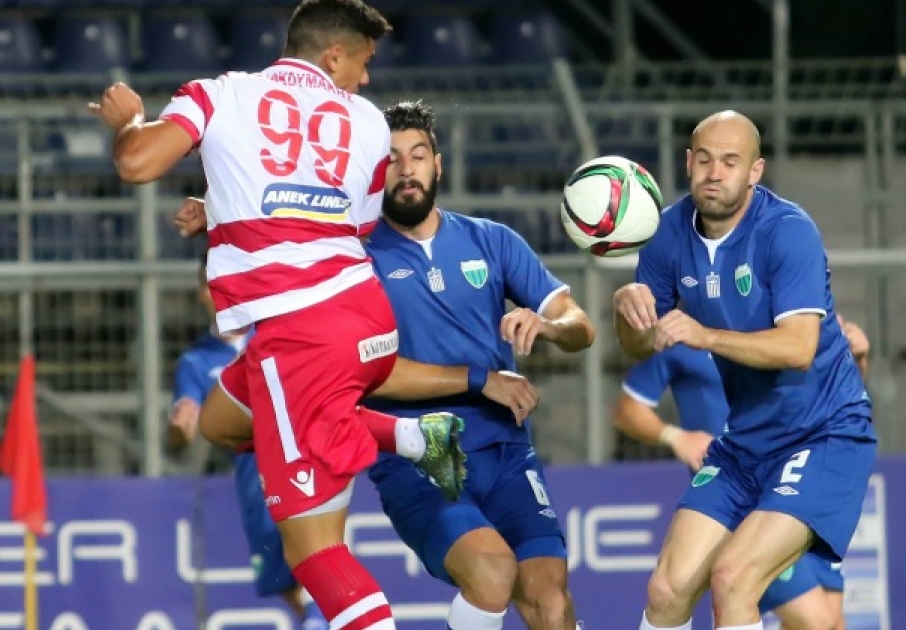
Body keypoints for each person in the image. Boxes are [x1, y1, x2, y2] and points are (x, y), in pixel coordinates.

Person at [89, 2, 465, 627]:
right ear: (333, 57)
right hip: (361, 317)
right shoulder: (367, 122)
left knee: (313, 553)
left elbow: (137, 163)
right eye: (365, 62)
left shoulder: (220, 95)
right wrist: (220, 208)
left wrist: (128, 120)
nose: (367, 77)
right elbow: (343, 225)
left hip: (302, 334)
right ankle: (407, 436)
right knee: (220, 423)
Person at [612, 110, 878, 630]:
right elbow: (639, 346)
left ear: (755, 171)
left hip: (824, 436)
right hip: (745, 443)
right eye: (705, 159)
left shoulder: (787, 231)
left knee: (735, 579)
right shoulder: (666, 234)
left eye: (730, 162)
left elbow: (798, 348)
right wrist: (627, 310)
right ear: (687, 163)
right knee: (666, 591)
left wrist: (705, 335)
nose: (715, 173)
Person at [365, 101, 594, 630]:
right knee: (492, 573)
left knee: (551, 602)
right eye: (392, 159)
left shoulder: (491, 240)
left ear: (438, 165)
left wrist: (548, 327)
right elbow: (368, 373)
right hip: (420, 455)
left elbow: (580, 325)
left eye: (418, 155)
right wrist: (480, 380)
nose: (406, 170)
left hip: (507, 450)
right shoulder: (359, 260)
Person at [612, 316, 872, 630]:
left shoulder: (781, 325)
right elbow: (626, 410)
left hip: (796, 478)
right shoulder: (681, 332)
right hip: (738, 490)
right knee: (812, 618)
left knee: (830, 619)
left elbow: (834, 397)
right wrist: (676, 437)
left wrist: (857, 358)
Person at [168, 252, 327, 630]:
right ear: (201, 294)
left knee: (311, 553)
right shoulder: (196, 362)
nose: (220, 291)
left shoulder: (274, 332)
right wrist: (180, 426)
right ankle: (321, 620)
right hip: (252, 477)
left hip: (299, 459)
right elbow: (179, 434)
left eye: (225, 280)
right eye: (210, 285)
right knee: (284, 581)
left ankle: (325, 618)